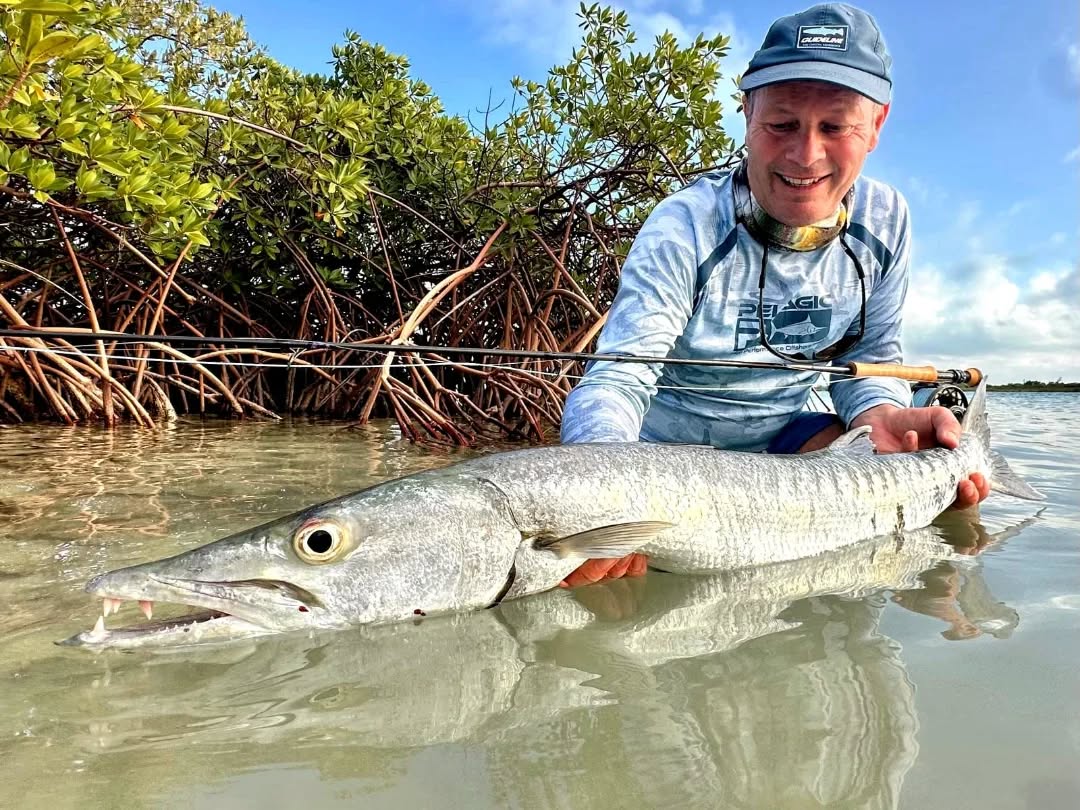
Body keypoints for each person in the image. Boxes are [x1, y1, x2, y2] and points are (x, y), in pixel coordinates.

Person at [558, 3, 989, 588]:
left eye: (834, 128)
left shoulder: (887, 221)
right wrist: (602, 497)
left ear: (878, 125)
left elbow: (873, 357)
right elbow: (616, 380)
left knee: (902, 518)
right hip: (661, 456)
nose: (805, 156)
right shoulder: (682, 226)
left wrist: (880, 415)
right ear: (747, 113)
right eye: (782, 125)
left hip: (791, 435)